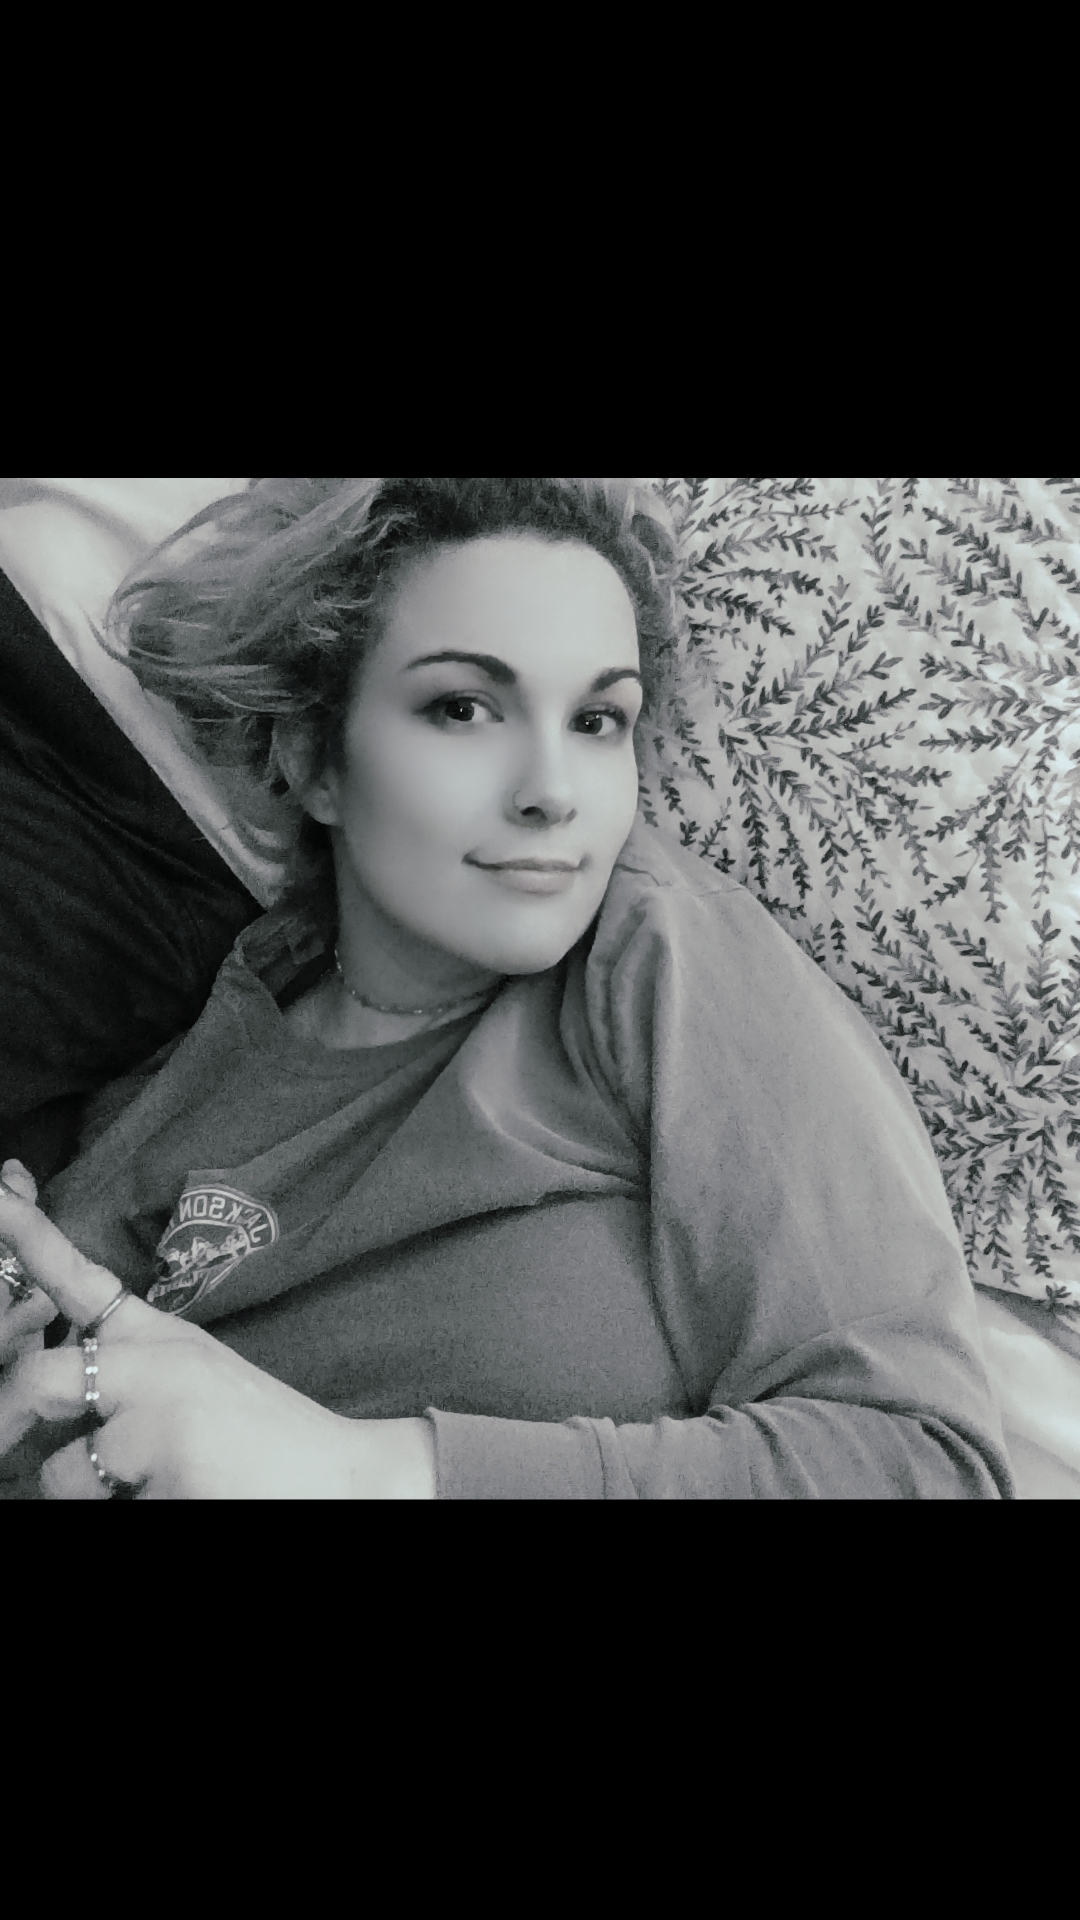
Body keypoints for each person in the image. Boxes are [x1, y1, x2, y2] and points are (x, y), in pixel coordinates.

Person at [0, 477, 1015, 1498]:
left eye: (599, 719)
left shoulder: (655, 954)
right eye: (465, 708)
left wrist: (363, 1470)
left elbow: (926, 1462)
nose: (553, 791)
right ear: (313, 759)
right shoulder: (176, 1077)